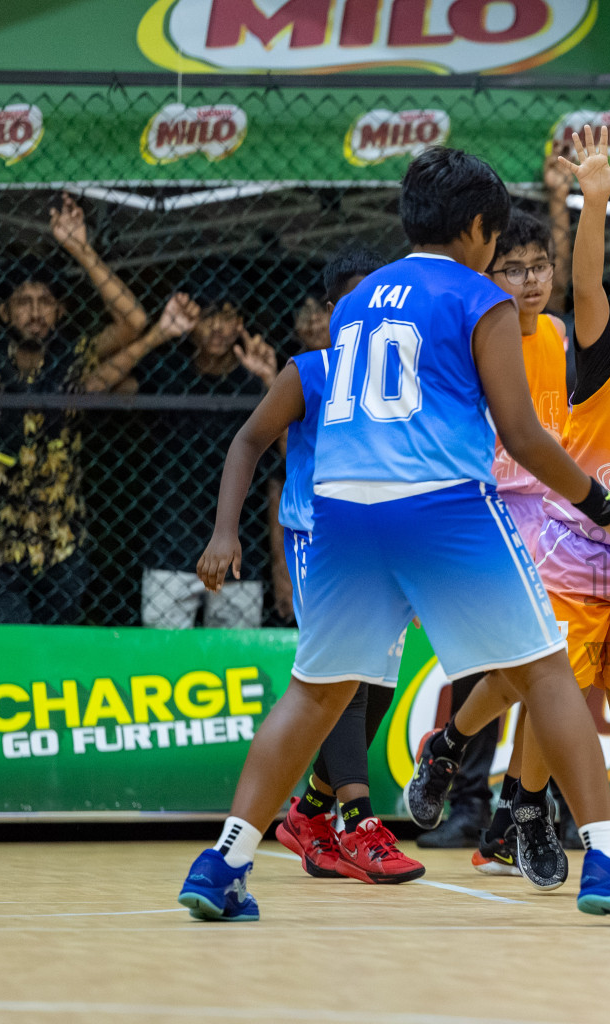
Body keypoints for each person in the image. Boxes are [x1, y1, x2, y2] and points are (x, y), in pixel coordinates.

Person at [176, 146, 610, 925]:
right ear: (480, 227)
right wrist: (607, 509)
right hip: (441, 505)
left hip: (343, 512)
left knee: (315, 692)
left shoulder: (358, 301)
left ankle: (223, 861)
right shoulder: (480, 297)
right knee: (547, 673)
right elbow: (521, 434)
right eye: (497, 237)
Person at [405, 127, 610, 893]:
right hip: (554, 533)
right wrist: (594, 201)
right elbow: (590, 284)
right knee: (543, 681)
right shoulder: (582, 352)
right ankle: (516, 799)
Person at [267, 243, 426, 885]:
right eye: (356, 301)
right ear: (331, 312)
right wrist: (225, 533)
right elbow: (248, 441)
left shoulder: (403, 377)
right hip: (320, 537)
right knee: (348, 682)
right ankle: (359, 825)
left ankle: (308, 812)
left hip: (382, 541)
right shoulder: (311, 371)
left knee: (379, 687)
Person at [420, 203, 573, 854]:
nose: (531, 280)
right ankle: (468, 794)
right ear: (488, 273)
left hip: (555, 517)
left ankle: (524, 807)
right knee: (492, 665)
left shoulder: (561, 335)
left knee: (553, 664)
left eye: (540, 266)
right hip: (488, 509)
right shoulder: (476, 333)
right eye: (514, 268)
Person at [0, 197, 148, 624]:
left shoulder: (73, 359)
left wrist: (80, 249)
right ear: (4, 312)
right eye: (23, 302)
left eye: (45, 301)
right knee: (11, 643)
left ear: (60, 310)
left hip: (60, 542)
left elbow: (133, 322)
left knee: (57, 650)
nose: (35, 312)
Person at [128, 274, 282, 628]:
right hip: (171, 546)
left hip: (240, 551)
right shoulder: (168, 372)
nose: (217, 327)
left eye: (227, 316)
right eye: (208, 316)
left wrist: (272, 382)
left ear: (240, 323)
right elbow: (95, 386)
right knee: (163, 658)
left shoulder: (255, 382)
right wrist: (157, 335)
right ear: (191, 321)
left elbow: (293, 453)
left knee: (236, 658)